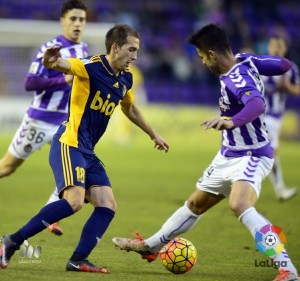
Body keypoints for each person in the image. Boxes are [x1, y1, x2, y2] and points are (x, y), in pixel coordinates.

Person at [112, 24, 299, 281]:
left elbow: (257, 103)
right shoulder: (246, 60)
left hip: (252, 154)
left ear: (212, 54)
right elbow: (283, 66)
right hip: (227, 155)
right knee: (195, 204)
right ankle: (151, 246)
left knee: (240, 204)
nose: (201, 62)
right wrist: (274, 63)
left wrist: (231, 121)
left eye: (201, 56)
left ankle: (288, 269)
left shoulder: (237, 77)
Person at [0, 24, 169, 273]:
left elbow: (129, 107)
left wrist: (153, 134)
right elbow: (63, 65)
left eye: (137, 51)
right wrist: (51, 62)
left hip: (87, 150)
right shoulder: (90, 66)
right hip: (69, 143)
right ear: (115, 47)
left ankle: (78, 260)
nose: (135, 56)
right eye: (131, 50)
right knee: (74, 201)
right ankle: (11, 242)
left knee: (107, 204)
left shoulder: (126, 77)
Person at [0, 0, 88, 236]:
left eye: (81, 19)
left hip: (66, 123)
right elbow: (30, 83)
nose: (77, 23)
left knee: (78, 168)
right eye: (73, 19)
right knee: (7, 167)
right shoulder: (51, 48)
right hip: (39, 120)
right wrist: (63, 79)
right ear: (63, 21)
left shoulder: (84, 50)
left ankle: (51, 215)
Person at [261, 35, 300, 201]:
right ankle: (280, 189)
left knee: (265, 152)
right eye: (273, 45)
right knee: (270, 152)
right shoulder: (259, 64)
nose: (276, 48)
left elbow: (297, 90)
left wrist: (287, 86)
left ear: (285, 48)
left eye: (279, 46)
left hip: (276, 117)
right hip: (262, 115)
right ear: (268, 47)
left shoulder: (290, 68)